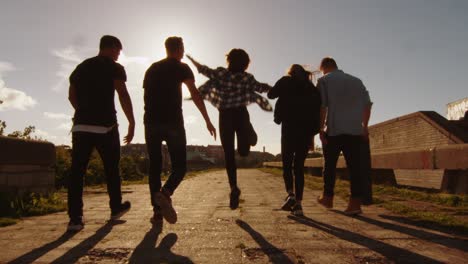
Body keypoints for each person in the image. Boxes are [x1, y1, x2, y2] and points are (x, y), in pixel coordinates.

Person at [143, 37, 216, 224]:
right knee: (180, 167)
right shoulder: (182, 67)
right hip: (173, 122)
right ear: (180, 49)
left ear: (166, 49)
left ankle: (157, 212)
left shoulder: (152, 68)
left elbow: (146, 95)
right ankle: (165, 193)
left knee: (155, 168)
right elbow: (195, 94)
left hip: (151, 122)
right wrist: (207, 120)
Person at [187, 50, 271, 209]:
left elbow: (204, 70)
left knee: (236, 153)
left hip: (230, 117)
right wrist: (276, 89)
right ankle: (234, 189)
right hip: (235, 116)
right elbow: (262, 87)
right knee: (233, 153)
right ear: (245, 64)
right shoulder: (245, 77)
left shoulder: (225, 74)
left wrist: (191, 59)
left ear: (229, 60)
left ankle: (250, 133)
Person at [67, 35, 135, 231]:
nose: (118, 55)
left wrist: (83, 113)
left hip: (80, 126)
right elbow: (122, 93)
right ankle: (115, 208)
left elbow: (71, 95)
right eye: (118, 51)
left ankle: (75, 219)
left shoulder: (81, 67)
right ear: (112, 47)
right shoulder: (114, 68)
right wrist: (131, 121)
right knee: (111, 169)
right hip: (106, 127)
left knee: (77, 172)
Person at [316, 57, 372, 215]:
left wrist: (320, 129)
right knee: (355, 168)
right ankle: (355, 204)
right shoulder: (357, 81)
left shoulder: (324, 81)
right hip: (355, 129)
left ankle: (328, 198)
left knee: (330, 166)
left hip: (334, 130)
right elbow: (367, 105)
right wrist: (365, 127)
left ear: (324, 67)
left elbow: (322, 107)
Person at [268, 64, 321, 216]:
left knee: (287, 164)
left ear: (291, 72)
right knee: (299, 168)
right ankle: (298, 205)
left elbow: (271, 94)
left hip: (289, 128)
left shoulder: (285, 81)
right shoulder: (311, 88)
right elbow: (317, 109)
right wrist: (313, 133)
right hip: (305, 132)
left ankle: (290, 194)